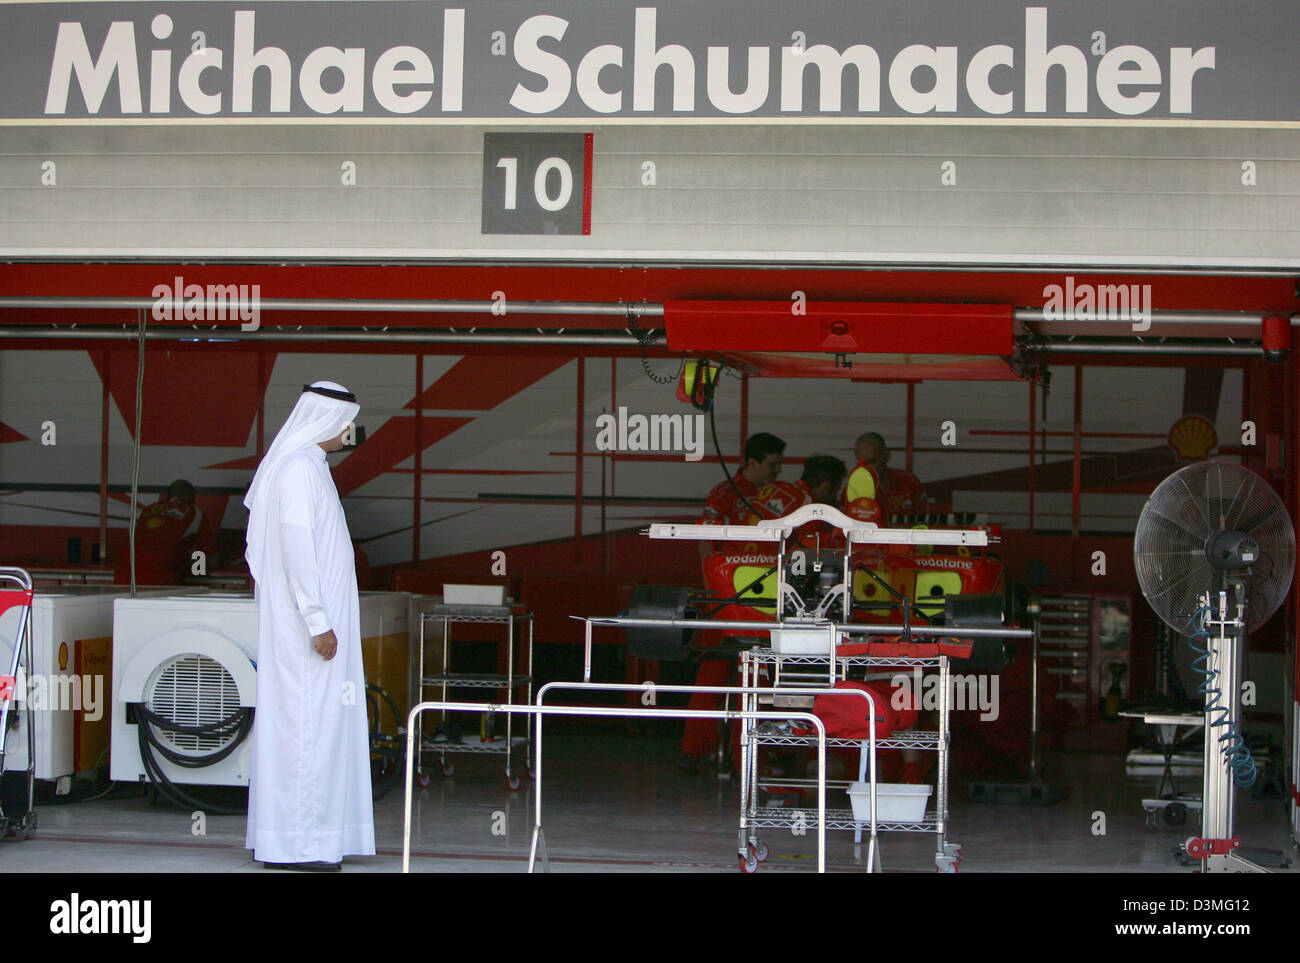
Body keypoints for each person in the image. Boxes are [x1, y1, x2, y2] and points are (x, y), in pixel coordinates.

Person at [243, 381, 374, 871]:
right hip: (305, 635)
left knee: (317, 726)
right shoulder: (298, 470)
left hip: (312, 629)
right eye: (346, 421)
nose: (350, 431)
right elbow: (298, 551)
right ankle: (299, 845)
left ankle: (304, 838)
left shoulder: (310, 469)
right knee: (306, 728)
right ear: (324, 420)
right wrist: (318, 622)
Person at [681, 432, 785, 772]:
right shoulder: (725, 493)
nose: (777, 469)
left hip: (765, 600)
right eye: (772, 463)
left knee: (759, 679)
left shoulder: (780, 496)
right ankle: (695, 750)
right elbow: (703, 541)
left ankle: (751, 757)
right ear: (752, 461)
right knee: (712, 672)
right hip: (725, 596)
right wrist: (713, 592)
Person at [113, 479, 216, 586]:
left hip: (123, 576)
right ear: (193, 498)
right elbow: (212, 560)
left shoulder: (148, 510)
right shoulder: (195, 513)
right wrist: (192, 566)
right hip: (158, 578)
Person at [844, 432, 928, 523]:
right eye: (861, 464)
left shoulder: (909, 482)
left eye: (872, 462)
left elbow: (926, 520)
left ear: (886, 456)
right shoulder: (852, 490)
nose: (866, 469)